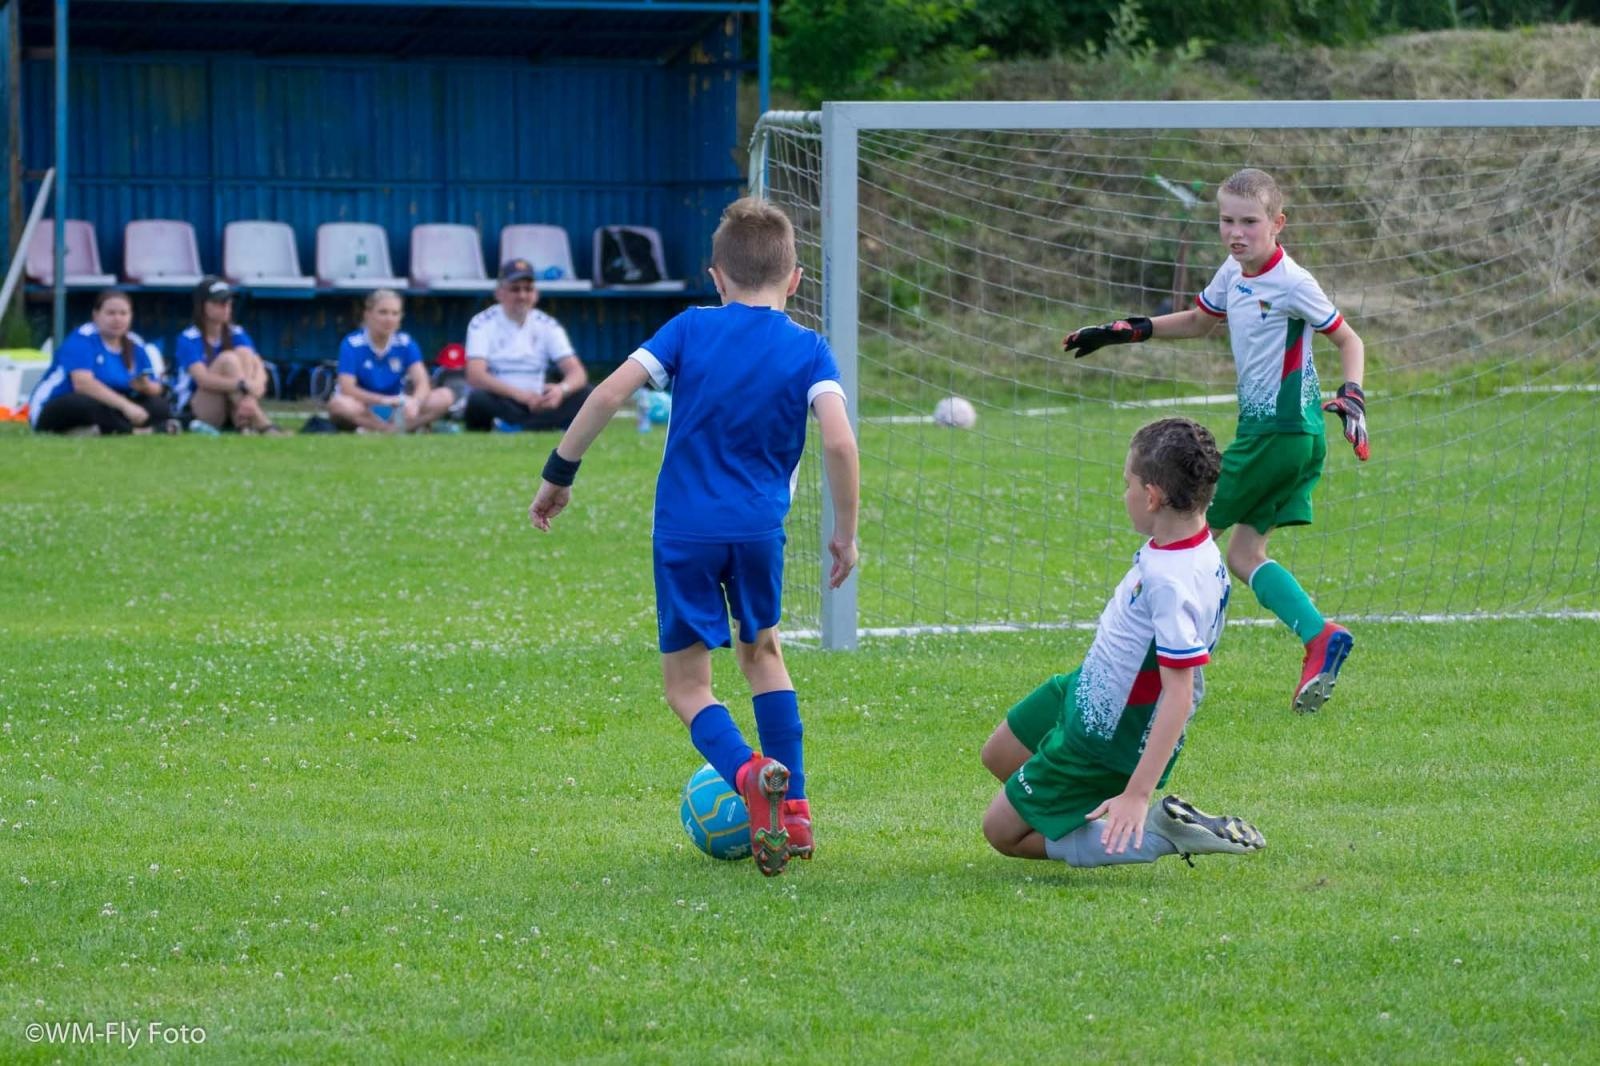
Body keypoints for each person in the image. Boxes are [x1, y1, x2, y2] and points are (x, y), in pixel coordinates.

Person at [528, 197, 859, 878]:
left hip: (684, 532)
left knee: (686, 685)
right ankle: (793, 812)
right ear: (795, 278)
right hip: (759, 531)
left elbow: (606, 394)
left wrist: (559, 474)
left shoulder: (689, 329)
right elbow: (839, 442)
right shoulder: (809, 349)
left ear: (715, 276)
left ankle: (745, 775)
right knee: (764, 655)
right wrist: (845, 535)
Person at [1063, 167, 1367, 714]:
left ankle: (1146, 671)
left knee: (1180, 533)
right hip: (1288, 437)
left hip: (1281, 431)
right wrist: (1130, 330)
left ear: (1278, 223)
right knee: (1245, 554)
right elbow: (1202, 321)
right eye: (1227, 220)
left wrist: (1353, 394)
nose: (1236, 232)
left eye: (1250, 222)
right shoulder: (1234, 271)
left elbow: (1348, 338)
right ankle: (1320, 637)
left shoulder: (1293, 281)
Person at [980, 417, 1266, 870]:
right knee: (998, 755)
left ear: (1151, 496)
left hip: (1108, 739)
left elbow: (1179, 691)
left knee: (1001, 833)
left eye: (1127, 483)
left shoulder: (1172, 581)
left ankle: (1156, 834)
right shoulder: (1193, 544)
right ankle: (1085, 815)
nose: (1124, 494)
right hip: (1085, 692)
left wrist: (1136, 792)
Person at [463, 258, 590, 432]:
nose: (522, 296)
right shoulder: (481, 323)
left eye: (528, 289)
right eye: (515, 289)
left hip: (540, 400)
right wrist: (521, 396)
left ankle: (519, 427)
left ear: (536, 294)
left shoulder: (547, 324)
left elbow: (578, 373)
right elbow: (476, 376)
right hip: (503, 398)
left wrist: (561, 390)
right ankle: (537, 426)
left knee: (586, 394)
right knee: (478, 400)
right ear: (499, 293)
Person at [28, 289, 174, 435]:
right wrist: (126, 406)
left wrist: (146, 386)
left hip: (113, 403)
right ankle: (138, 431)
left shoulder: (136, 344)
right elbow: (82, 384)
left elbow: (157, 386)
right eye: (111, 313)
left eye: (123, 313)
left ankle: (92, 430)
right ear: (96, 315)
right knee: (84, 404)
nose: (117, 319)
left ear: (131, 316)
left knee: (158, 406)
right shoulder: (82, 339)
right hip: (59, 404)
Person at [327, 289, 454, 433]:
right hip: (363, 406)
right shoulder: (352, 344)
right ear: (368, 315)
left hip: (396, 408)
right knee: (339, 404)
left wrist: (414, 402)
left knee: (445, 396)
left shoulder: (406, 343)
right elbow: (347, 388)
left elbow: (422, 382)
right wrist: (383, 400)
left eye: (395, 313)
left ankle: (385, 429)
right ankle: (390, 430)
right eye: (383, 312)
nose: (389, 319)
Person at [173, 277, 282, 434]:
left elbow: (258, 368)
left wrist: (251, 394)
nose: (226, 307)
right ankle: (262, 423)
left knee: (243, 353)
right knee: (228, 359)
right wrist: (242, 385)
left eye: (229, 302)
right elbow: (203, 380)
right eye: (219, 303)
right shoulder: (188, 338)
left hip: (233, 404)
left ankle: (245, 424)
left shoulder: (236, 332)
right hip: (200, 406)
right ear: (203, 306)